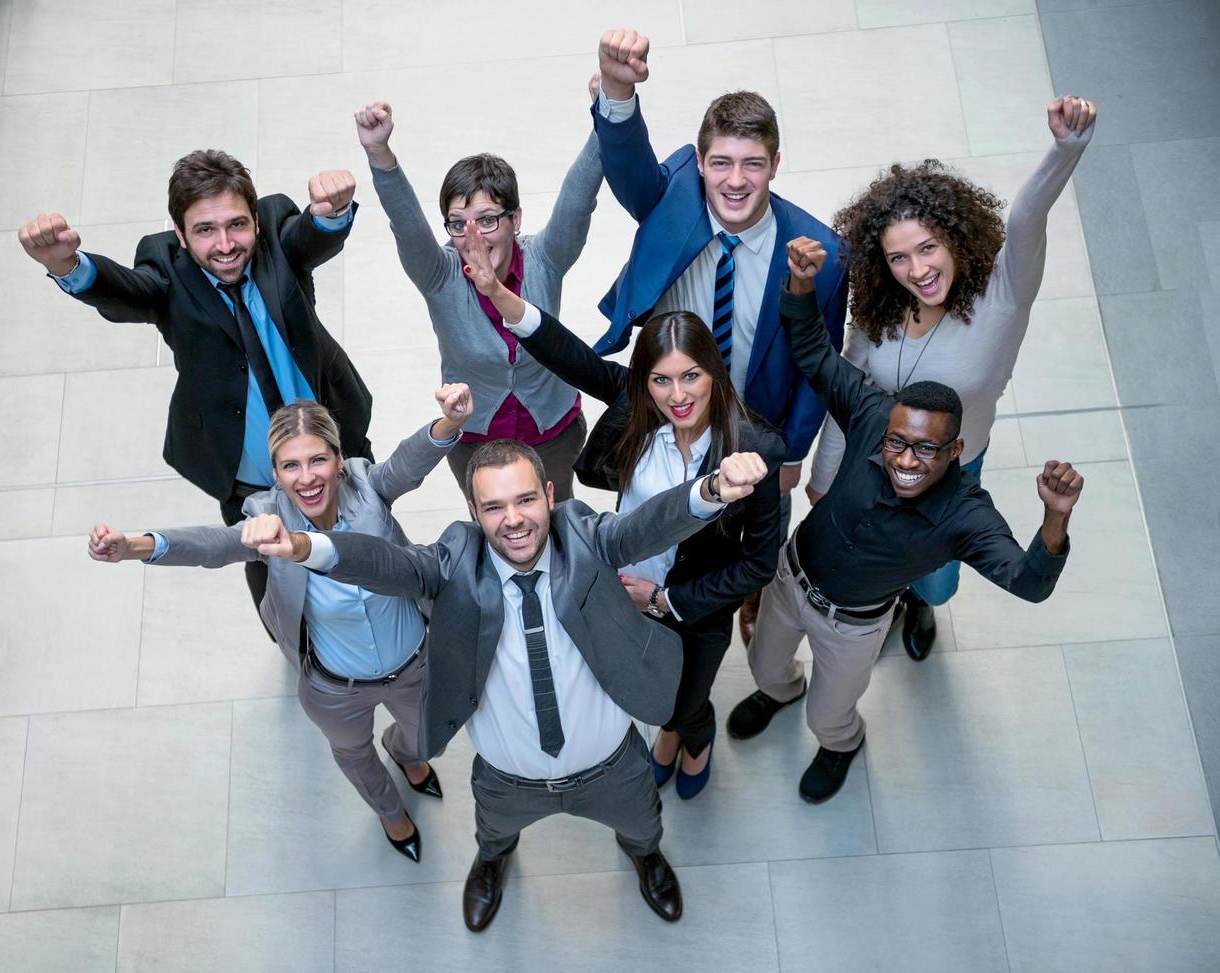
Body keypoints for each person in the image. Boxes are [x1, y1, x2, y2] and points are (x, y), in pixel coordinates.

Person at [252, 439, 770, 930]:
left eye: (525, 499)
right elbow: (384, 563)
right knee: (494, 832)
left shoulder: (584, 536)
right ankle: (493, 861)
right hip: (507, 778)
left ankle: (646, 857)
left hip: (613, 765)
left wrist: (711, 491)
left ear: (549, 496)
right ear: (475, 514)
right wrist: (303, 547)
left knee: (643, 827)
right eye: (494, 507)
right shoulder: (454, 563)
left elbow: (645, 527)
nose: (514, 519)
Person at [727, 237, 1085, 805]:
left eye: (925, 450)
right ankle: (778, 694)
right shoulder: (871, 411)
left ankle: (841, 744)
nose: (904, 460)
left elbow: (1029, 583)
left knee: (829, 713)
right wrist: (799, 282)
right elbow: (815, 354)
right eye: (898, 443)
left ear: (956, 450)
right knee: (764, 666)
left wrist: (1055, 519)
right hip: (790, 580)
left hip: (854, 625)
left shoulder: (967, 512)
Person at [457, 227, 784, 800]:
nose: (676, 395)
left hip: (694, 605)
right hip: (622, 584)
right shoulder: (639, 408)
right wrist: (499, 296)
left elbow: (758, 565)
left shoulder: (753, 448)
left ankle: (693, 736)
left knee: (685, 699)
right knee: (643, 682)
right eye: (660, 379)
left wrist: (664, 601)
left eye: (691, 376)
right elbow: (571, 356)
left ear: (715, 373)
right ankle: (669, 731)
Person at [85, 385, 473, 861]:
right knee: (353, 754)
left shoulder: (367, 488)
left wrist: (451, 422)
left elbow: (407, 463)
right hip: (336, 686)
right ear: (275, 473)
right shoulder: (267, 518)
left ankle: (404, 753)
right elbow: (213, 545)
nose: (306, 478)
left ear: (338, 460)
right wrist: (136, 546)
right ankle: (392, 815)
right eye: (291, 466)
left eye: (317, 461)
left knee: (424, 740)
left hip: (416, 665)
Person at [806, 96, 1098, 659]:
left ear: (954, 238)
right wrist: (824, 473)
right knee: (866, 548)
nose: (917, 271)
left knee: (936, 579)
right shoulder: (880, 309)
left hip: (953, 465)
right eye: (898, 259)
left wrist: (1066, 148)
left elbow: (1026, 218)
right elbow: (847, 390)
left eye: (927, 248)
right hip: (872, 452)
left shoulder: (1003, 297)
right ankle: (887, 598)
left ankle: (920, 603)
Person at [18, 149, 373, 610]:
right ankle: (291, 636)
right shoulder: (165, 267)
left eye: (237, 225)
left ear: (256, 222)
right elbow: (126, 291)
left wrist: (333, 210)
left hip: (334, 438)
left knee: (366, 537)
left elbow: (310, 235)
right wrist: (67, 265)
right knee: (267, 567)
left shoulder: (276, 227)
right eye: (205, 230)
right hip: (247, 474)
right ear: (181, 236)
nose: (225, 244)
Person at [588, 29, 849, 554]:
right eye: (721, 163)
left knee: (745, 539)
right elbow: (629, 168)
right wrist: (617, 90)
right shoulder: (675, 196)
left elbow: (819, 366)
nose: (735, 181)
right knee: (655, 522)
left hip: (753, 426)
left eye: (753, 163)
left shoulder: (823, 253)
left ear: (775, 165)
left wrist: (792, 453)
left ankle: (746, 598)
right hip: (668, 410)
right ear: (702, 163)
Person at [354, 100, 602, 500]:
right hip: (476, 440)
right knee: (497, 532)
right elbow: (405, 223)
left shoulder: (545, 258)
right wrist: (379, 153)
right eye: (458, 224)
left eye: (487, 219)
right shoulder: (440, 274)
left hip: (553, 431)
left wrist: (607, 114)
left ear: (515, 218)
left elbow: (580, 197)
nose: (475, 237)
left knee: (559, 522)